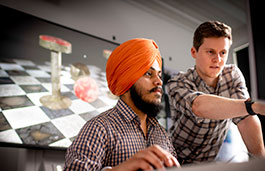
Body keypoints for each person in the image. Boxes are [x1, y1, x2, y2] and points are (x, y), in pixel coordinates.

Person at [64, 38, 180, 171]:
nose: (159, 81)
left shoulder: (161, 133)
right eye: (149, 74)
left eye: (159, 75)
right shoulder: (99, 128)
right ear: (127, 80)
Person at [167, 21, 265, 164]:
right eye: (210, 52)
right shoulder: (177, 82)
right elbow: (199, 107)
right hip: (175, 161)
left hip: (208, 162)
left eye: (223, 52)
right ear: (194, 52)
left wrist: (261, 162)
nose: (217, 60)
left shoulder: (232, 75)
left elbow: (245, 119)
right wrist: (254, 106)